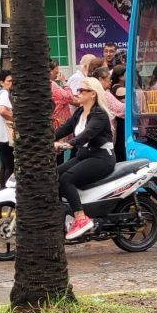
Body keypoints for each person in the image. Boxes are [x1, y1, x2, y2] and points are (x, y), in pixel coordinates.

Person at [54, 77, 116, 240]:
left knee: (66, 179)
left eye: (82, 91)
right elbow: (63, 129)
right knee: (52, 175)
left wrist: (68, 145)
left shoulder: (99, 115)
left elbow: (88, 133)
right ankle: (63, 215)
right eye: (78, 90)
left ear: (93, 94)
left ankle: (81, 218)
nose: (78, 93)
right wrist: (41, 141)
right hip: (85, 155)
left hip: (101, 158)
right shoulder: (80, 112)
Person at [50, 60, 77, 165]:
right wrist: (64, 83)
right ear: (50, 71)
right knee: (58, 154)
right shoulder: (52, 85)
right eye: (56, 72)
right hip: (57, 124)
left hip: (57, 123)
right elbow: (69, 97)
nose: (58, 74)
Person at [0, 70, 15, 189]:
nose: (11, 83)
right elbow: (2, 110)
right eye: (9, 81)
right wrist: (16, 119)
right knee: (9, 166)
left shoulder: (1, 94)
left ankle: (2, 188)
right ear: (2, 82)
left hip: (0, 137)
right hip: (4, 137)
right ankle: (6, 191)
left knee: (5, 166)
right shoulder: (4, 94)